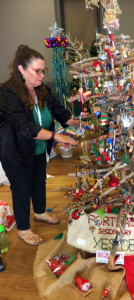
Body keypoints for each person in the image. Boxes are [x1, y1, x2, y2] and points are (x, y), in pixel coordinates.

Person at [0, 45, 86, 246]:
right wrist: (57, 136)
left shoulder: (42, 89)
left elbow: (59, 112)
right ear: (21, 69)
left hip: (38, 149)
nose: (41, 75)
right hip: (16, 151)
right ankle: (23, 230)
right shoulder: (7, 93)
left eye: (43, 71)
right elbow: (25, 127)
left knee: (39, 182)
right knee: (21, 188)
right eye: (36, 71)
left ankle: (39, 213)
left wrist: (81, 121)